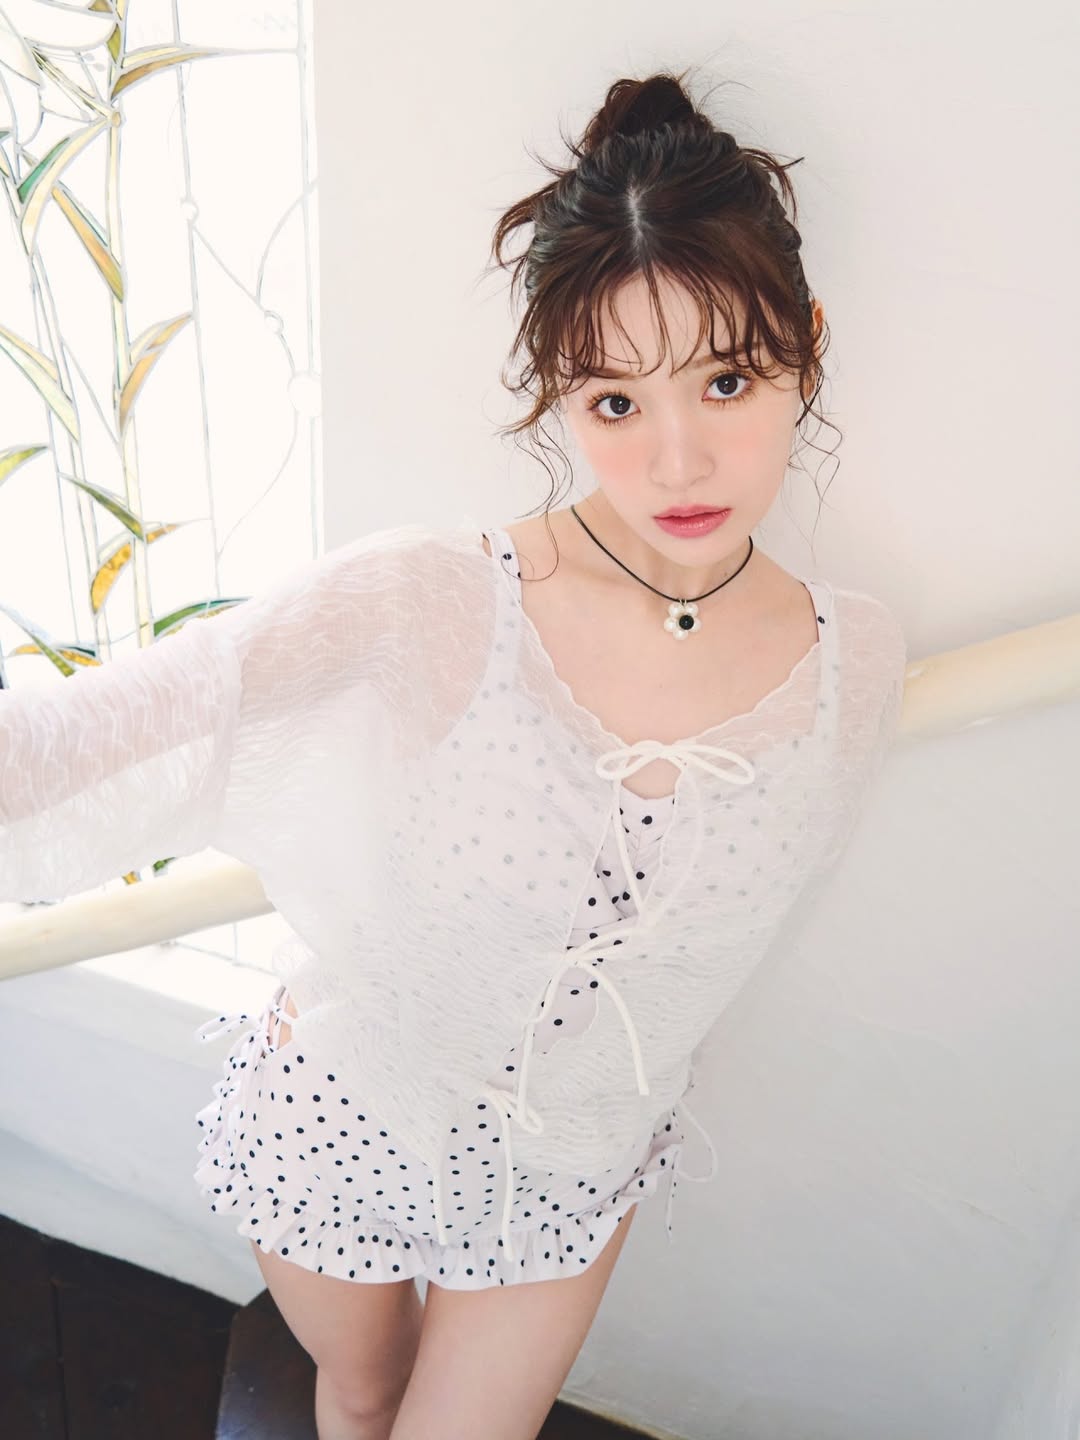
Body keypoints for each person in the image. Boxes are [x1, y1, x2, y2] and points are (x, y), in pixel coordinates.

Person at [0, 68, 907, 1440]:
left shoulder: (853, 667)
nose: (678, 462)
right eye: (614, 403)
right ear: (558, 395)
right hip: (344, 1115)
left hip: (569, 1172)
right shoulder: (437, 601)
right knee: (359, 1398)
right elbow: (90, 737)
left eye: (726, 380)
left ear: (808, 345)